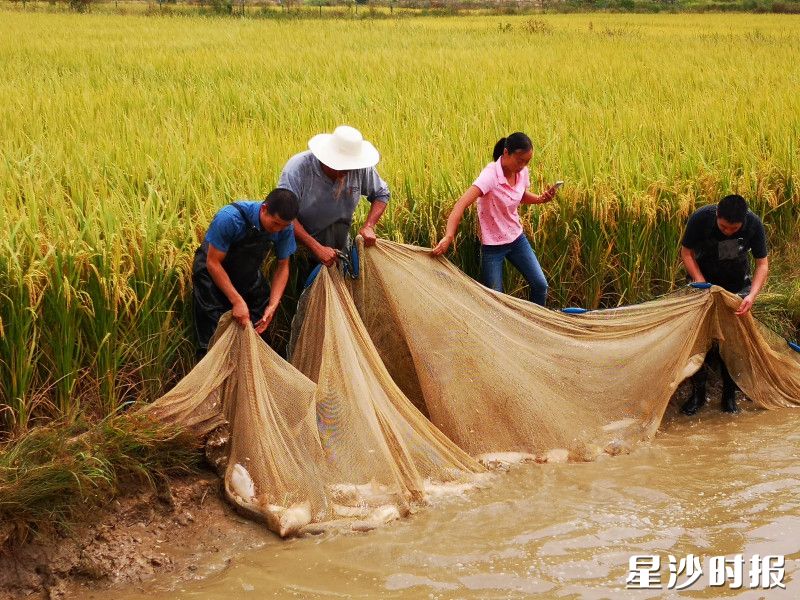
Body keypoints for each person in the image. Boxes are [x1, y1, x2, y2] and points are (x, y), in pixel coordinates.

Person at [431, 132, 560, 305]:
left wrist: (540, 199)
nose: (523, 166)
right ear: (506, 153)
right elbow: (460, 204)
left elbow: (518, 195)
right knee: (496, 302)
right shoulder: (490, 175)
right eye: (520, 160)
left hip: (516, 239)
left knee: (540, 285)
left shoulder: (521, 172)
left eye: (527, 161)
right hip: (492, 247)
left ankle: (535, 326)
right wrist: (449, 236)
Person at [679, 193, 769, 415]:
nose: (728, 231)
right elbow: (687, 252)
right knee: (700, 338)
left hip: (737, 287)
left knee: (732, 340)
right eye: (723, 227)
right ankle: (698, 394)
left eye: (733, 229)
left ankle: (729, 395)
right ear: (717, 215)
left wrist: (751, 296)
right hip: (703, 282)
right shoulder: (702, 218)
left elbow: (762, 264)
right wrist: (700, 283)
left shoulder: (753, 225)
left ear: (743, 222)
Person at [192, 188, 299, 358]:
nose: (278, 230)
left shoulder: (285, 227)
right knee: (213, 338)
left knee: (259, 318)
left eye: (284, 226)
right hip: (211, 275)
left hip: (246, 272)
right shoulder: (229, 218)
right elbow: (212, 263)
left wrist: (273, 304)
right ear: (264, 209)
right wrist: (236, 301)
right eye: (275, 223)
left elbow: (283, 266)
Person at [278, 125, 390, 283]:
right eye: (343, 166)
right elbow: (284, 215)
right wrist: (316, 247)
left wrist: (369, 225)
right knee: (311, 293)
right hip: (302, 247)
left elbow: (382, 193)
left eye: (351, 166)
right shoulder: (298, 169)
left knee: (348, 287)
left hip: (341, 242)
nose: (348, 171)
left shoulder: (359, 168)